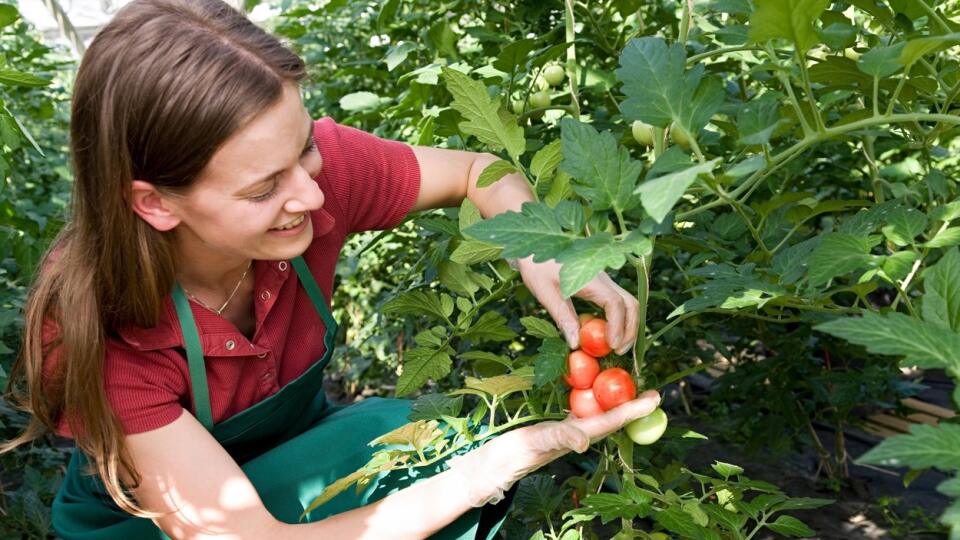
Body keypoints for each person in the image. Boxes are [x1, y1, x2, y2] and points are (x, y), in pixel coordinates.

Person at [1, 1, 661, 538]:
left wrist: (547, 248)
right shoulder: (102, 326)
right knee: (443, 462)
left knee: (431, 440)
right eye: (263, 189)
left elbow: (476, 174)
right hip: (162, 525)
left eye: (306, 149)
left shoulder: (310, 182)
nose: (314, 198)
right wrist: (485, 471)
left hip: (290, 462)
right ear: (153, 202)